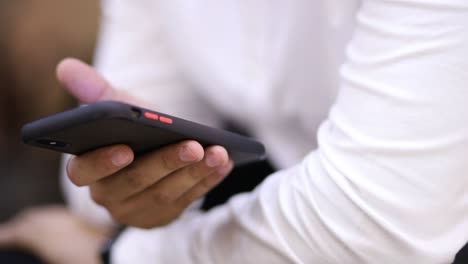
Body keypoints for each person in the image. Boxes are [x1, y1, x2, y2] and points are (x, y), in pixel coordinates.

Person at [2, 0, 468, 263]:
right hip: (295, 203)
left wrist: (116, 255)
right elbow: (92, 197)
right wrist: (126, 186)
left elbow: (380, 226)